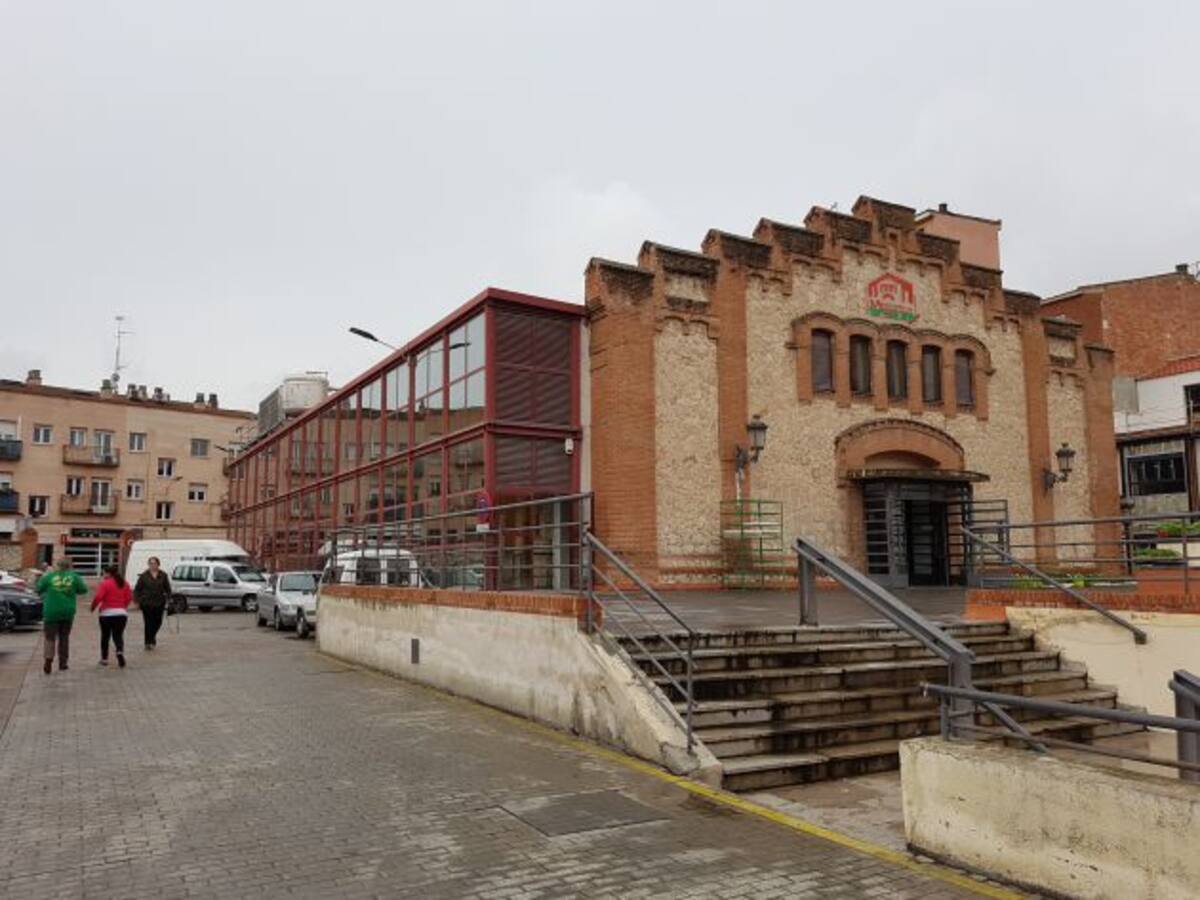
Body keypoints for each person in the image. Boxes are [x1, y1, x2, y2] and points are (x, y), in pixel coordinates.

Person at [35, 557, 88, 674]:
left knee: (50, 637)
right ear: (69, 566)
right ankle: (63, 663)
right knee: (64, 637)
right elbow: (83, 590)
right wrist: (72, 590)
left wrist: (38, 580)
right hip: (67, 612)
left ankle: (48, 661)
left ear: (57, 565)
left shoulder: (48, 577)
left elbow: (38, 589)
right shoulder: (75, 577)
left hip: (51, 611)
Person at [91, 565, 132, 668]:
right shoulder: (124, 583)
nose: (103, 575)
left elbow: (98, 597)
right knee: (118, 635)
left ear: (108, 573)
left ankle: (104, 659)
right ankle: (119, 651)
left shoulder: (105, 584)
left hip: (106, 614)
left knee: (105, 636)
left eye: (104, 573)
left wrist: (93, 607)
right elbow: (129, 597)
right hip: (121, 614)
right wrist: (123, 607)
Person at [134, 556, 171, 650]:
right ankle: (148, 642)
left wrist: (169, 599)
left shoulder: (163, 575)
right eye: (150, 563)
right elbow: (137, 589)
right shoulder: (144, 575)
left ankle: (151, 637)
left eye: (154, 563)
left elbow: (168, 588)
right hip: (146, 602)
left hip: (159, 602)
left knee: (158, 622)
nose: (152, 565)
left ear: (158, 564)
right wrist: (137, 601)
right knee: (148, 623)